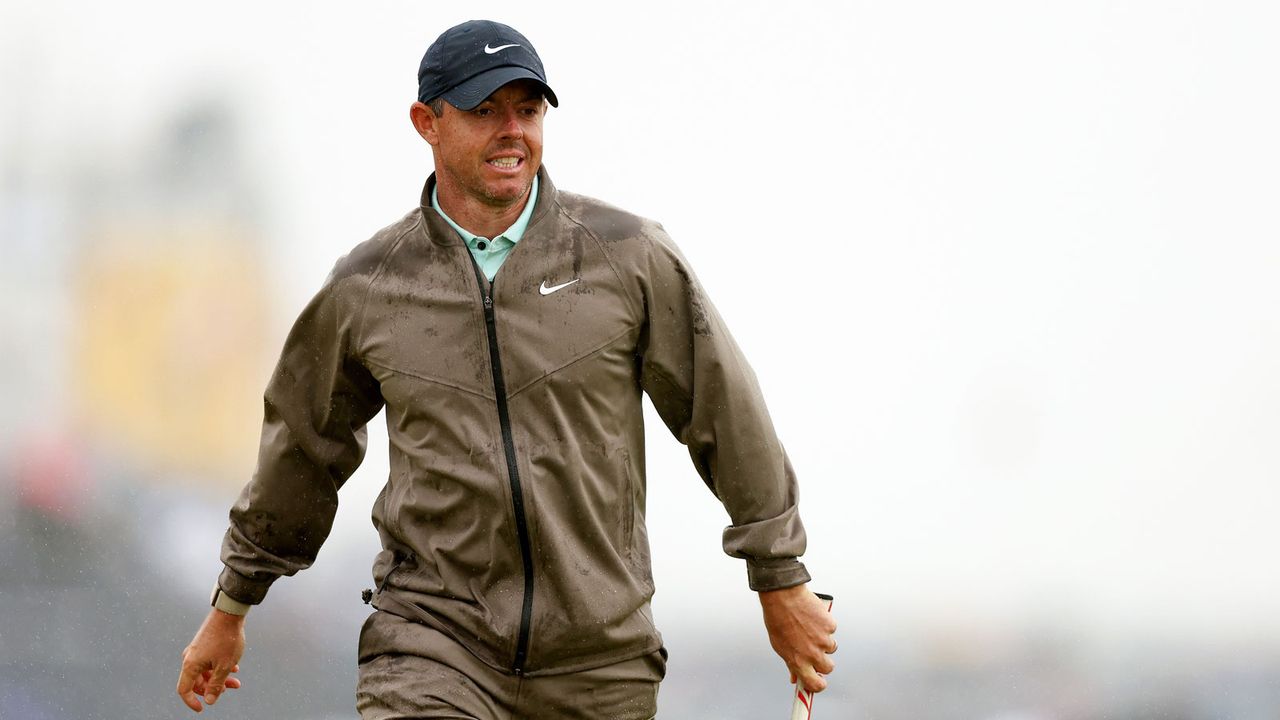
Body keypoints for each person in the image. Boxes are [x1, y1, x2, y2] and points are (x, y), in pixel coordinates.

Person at [176, 19, 836, 719]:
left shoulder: (629, 256)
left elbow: (725, 414)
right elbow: (302, 453)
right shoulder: (368, 286)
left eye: (527, 110)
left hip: (599, 662)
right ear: (427, 122)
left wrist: (780, 579)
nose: (512, 132)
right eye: (484, 110)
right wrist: (233, 604)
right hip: (431, 644)